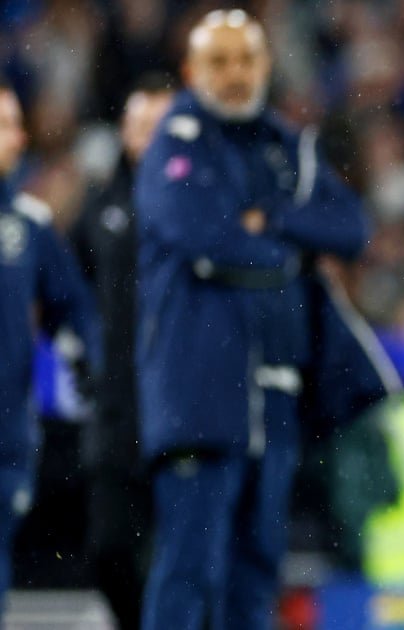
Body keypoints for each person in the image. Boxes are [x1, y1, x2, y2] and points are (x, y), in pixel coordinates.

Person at [135, 10, 395, 630]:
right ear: (190, 72)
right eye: (219, 62)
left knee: (256, 573)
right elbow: (205, 237)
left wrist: (270, 219)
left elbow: (351, 228)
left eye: (246, 59)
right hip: (198, 393)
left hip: (274, 395)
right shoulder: (174, 143)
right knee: (189, 571)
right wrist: (288, 249)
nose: (235, 74)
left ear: (266, 65)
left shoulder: (286, 145)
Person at [71, 73, 175, 630]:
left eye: (160, 126)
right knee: (107, 548)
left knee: (185, 554)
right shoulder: (101, 206)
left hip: (181, 405)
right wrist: (82, 356)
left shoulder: (203, 204)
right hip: (117, 410)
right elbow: (67, 289)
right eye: (140, 126)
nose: (148, 138)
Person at [0, 79, 100, 620]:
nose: (17, 138)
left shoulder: (29, 225)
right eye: (4, 125)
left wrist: (89, 361)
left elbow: (73, 307)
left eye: (17, 124)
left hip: (7, 437)